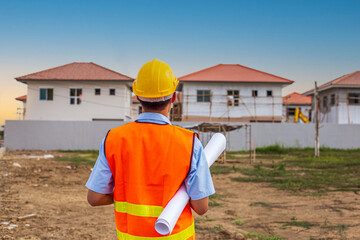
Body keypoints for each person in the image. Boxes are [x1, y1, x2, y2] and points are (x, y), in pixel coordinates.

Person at [86, 59, 215, 239]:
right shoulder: (190, 143)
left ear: (137, 97)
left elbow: (95, 198)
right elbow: (201, 208)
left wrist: (128, 193)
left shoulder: (114, 138)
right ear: (174, 97)